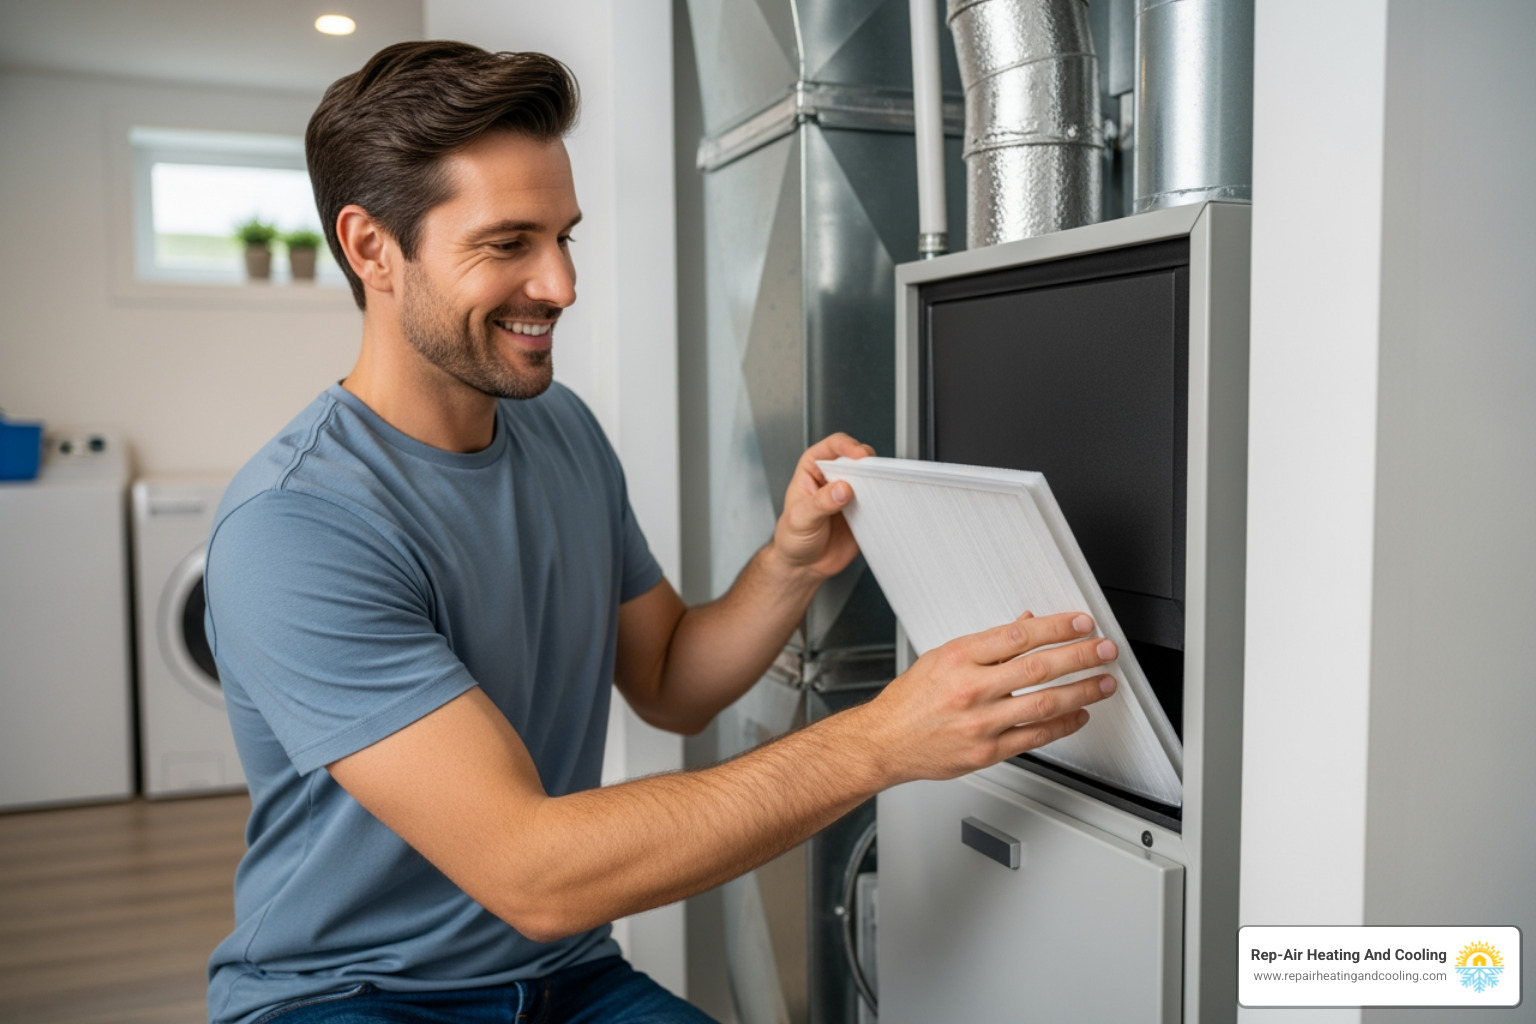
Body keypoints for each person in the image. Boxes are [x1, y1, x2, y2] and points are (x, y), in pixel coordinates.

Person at [203, 40, 1121, 1024]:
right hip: (354, 994)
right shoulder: (296, 525)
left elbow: (671, 681)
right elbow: (533, 870)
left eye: (565, 237)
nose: (559, 284)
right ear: (371, 247)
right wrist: (886, 740)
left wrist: (792, 559)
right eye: (509, 243)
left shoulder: (560, 430)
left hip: (571, 977)